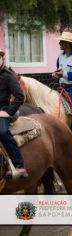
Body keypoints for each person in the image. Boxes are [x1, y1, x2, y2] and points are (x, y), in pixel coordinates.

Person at [0, 48, 28, 178]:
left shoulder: (7, 76)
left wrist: (8, 112)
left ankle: (19, 165)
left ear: (2, 59)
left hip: (2, 111)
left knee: (3, 132)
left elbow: (19, 96)